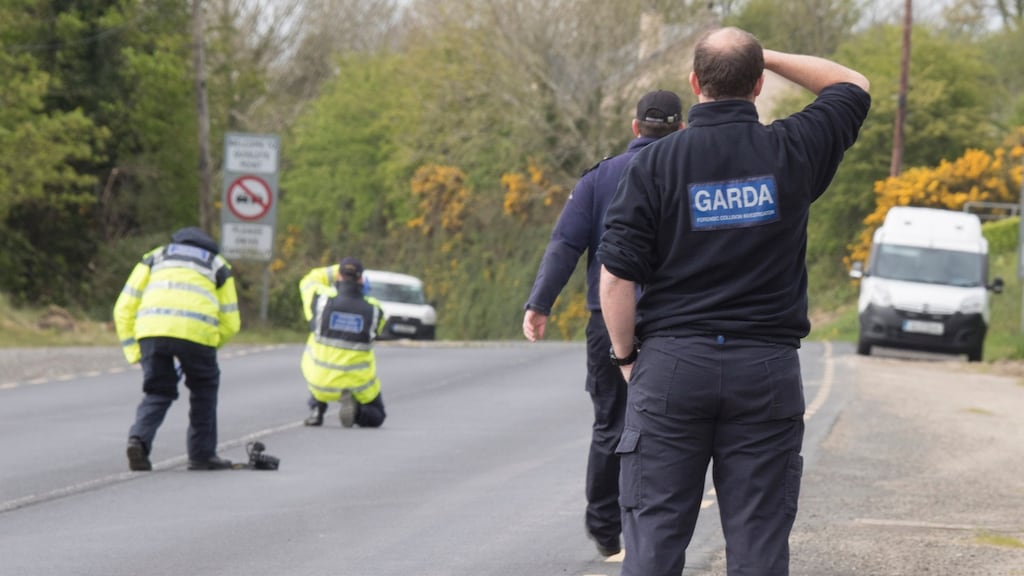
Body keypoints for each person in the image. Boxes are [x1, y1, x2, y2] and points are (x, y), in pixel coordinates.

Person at [596, 27, 870, 576]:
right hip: (765, 372)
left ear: (695, 83)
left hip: (672, 368)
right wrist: (757, 53)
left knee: (653, 536)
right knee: (759, 539)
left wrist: (627, 358)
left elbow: (615, 281)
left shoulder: (653, 165)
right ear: (760, 83)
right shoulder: (792, 149)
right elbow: (852, 84)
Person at [522, 90, 684, 557]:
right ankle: (650, 531)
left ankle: (605, 530)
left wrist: (540, 302)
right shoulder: (685, 169)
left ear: (636, 128)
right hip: (671, 321)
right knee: (671, 428)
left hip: (606, 321)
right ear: (680, 129)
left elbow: (565, 243)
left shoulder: (600, 177)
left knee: (611, 425)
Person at [114, 226, 241, 472]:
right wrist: (209, 344)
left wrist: (134, 351)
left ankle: (138, 440)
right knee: (204, 388)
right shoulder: (217, 265)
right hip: (197, 334)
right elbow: (231, 322)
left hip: (152, 330)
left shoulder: (155, 256)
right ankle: (202, 455)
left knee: (158, 391)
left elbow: (123, 308)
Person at [299, 256, 387, 428]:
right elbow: (377, 332)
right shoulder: (375, 310)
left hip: (319, 382)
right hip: (357, 385)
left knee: (317, 348)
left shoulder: (321, 302)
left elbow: (309, 280)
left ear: (338, 276)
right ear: (361, 279)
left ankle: (317, 409)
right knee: (377, 415)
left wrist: (335, 270)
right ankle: (356, 412)